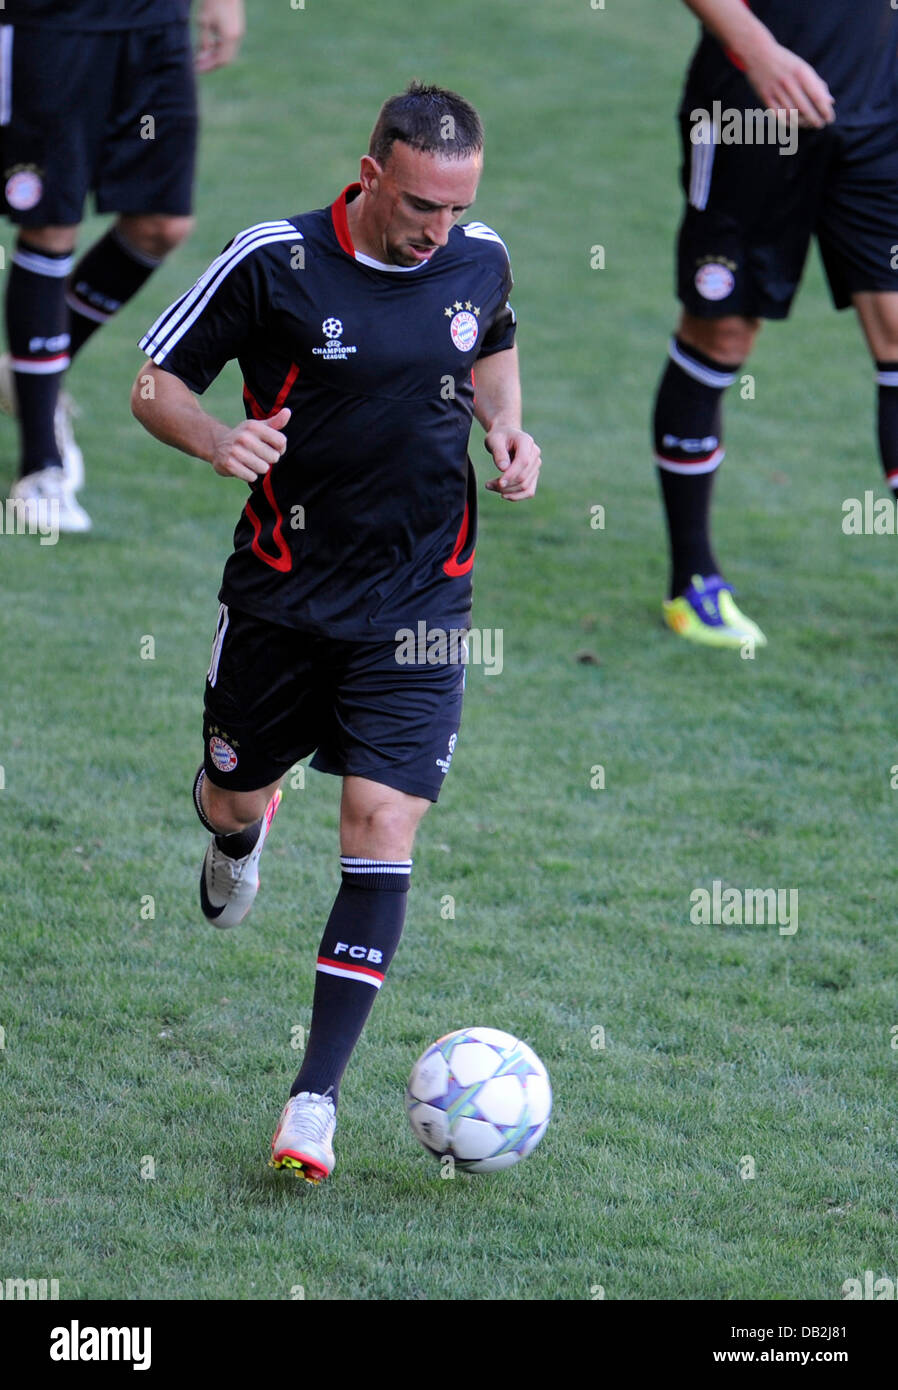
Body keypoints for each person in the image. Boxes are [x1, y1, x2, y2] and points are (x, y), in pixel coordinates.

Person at [131, 82, 542, 1183]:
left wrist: (507, 425)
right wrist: (216, 439)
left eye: (457, 209)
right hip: (282, 593)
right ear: (369, 177)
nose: (437, 231)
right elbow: (152, 381)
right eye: (418, 206)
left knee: (379, 820)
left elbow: (490, 340)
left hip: (421, 597)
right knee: (229, 788)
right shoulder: (275, 260)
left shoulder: (477, 256)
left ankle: (313, 1099)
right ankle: (235, 833)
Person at [653, 0, 898, 646]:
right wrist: (755, 49)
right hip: (750, 107)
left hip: (880, 100)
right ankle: (692, 583)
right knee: (723, 332)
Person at [1, 0, 245, 531]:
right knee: (50, 222)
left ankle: (25, 376)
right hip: (52, 21)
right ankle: (41, 465)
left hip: (155, 19)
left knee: (161, 225)